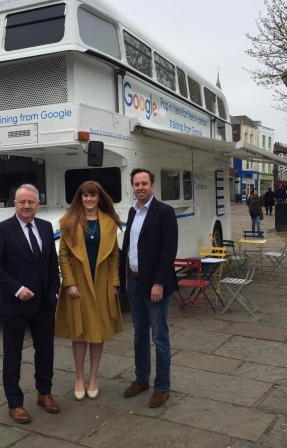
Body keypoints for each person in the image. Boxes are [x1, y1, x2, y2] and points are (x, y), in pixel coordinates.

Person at [0, 184, 60, 424]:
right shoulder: (2, 230)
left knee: (46, 350)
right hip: (14, 304)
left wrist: (53, 290)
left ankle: (44, 393)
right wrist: (17, 289)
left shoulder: (46, 227)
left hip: (44, 303)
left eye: (31, 202)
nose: (26, 206)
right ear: (15, 204)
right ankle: (15, 403)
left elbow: (51, 264)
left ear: (38, 204)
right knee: (13, 354)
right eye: (22, 202)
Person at [55, 181, 123, 400]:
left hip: (102, 282)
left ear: (99, 198)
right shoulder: (68, 222)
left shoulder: (109, 222)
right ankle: (79, 377)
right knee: (79, 331)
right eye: (85, 196)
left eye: (92, 195)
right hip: (79, 284)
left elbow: (114, 255)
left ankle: (93, 377)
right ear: (80, 198)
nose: (89, 199)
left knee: (98, 332)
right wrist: (70, 282)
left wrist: (115, 282)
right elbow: (63, 255)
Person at [120, 168, 178, 408]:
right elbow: (129, 248)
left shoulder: (164, 212)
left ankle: (162, 386)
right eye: (136, 184)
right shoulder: (132, 212)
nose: (140, 187)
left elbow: (168, 250)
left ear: (152, 186)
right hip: (134, 281)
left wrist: (159, 283)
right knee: (139, 334)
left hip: (155, 284)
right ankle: (142, 379)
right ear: (132, 187)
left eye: (144, 183)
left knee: (160, 337)